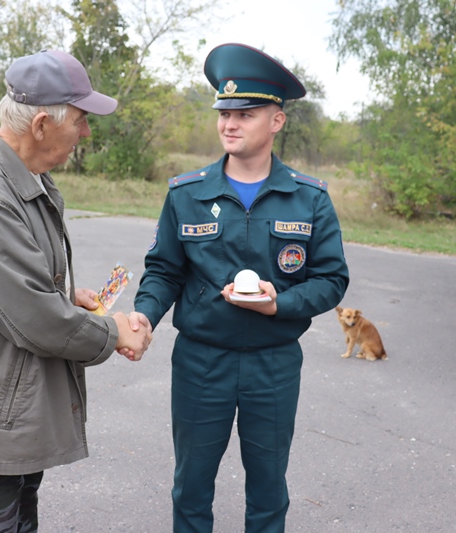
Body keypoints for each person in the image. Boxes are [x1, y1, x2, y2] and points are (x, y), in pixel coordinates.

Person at [0, 49, 152, 532]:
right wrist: (114, 332)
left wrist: (67, 299)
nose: (86, 133)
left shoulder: (21, 180)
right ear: (42, 124)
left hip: (6, 419)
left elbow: (15, 294)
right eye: (81, 120)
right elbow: (36, 320)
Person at [128, 43, 349, 532]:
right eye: (224, 112)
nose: (229, 123)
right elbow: (164, 269)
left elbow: (332, 280)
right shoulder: (187, 193)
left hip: (273, 365)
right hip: (201, 363)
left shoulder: (307, 198)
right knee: (191, 487)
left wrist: (281, 305)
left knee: (269, 491)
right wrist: (144, 314)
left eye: (245, 113)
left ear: (277, 121)